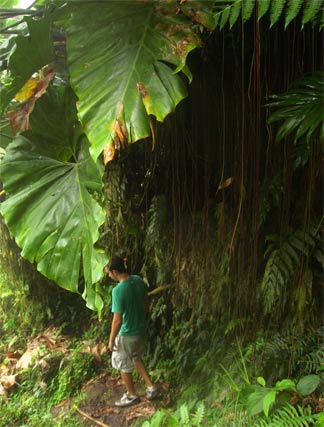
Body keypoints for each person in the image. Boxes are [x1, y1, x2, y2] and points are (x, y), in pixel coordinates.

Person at [106, 255, 159, 408]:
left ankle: (131, 395)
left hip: (127, 333)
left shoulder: (118, 291)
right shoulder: (138, 280)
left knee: (123, 364)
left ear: (115, 271)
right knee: (136, 357)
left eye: (109, 272)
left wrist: (111, 340)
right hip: (140, 330)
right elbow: (146, 300)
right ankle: (151, 387)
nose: (108, 275)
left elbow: (117, 320)